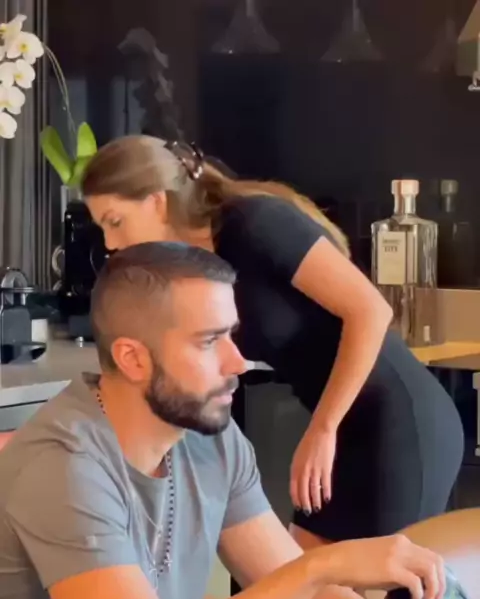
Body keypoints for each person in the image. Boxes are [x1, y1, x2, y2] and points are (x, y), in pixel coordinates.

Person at [0, 241, 445, 599]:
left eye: (232, 335)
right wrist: (321, 566)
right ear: (134, 358)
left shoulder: (207, 437)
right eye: (210, 341)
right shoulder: (65, 466)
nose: (238, 361)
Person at [80, 135, 465, 551]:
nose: (110, 243)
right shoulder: (196, 264)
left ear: (157, 202)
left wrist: (323, 429)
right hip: (342, 427)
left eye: (115, 221)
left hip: (399, 423)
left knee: (383, 588)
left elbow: (371, 311)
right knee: (304, 580)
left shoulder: (254, 223)